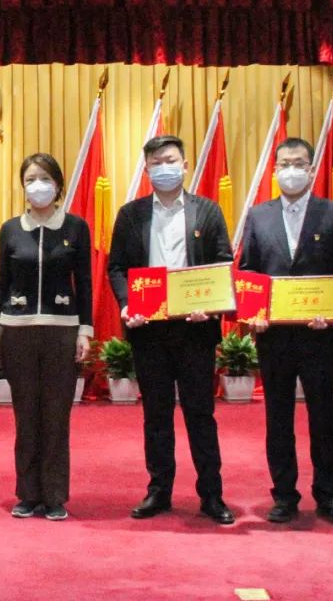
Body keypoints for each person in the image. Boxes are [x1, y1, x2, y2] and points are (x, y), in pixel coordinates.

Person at [108, 135, 236, 525]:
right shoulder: (131, 215)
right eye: (156, 163)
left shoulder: (207, 211)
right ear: (147, 170)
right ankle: (159, 490)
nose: (164, 168)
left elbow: (223, 262)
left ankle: (212, 495)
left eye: (170, 160)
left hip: (196, 332)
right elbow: (117, 268)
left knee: (201, 415)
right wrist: (127, 303)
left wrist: (210, 305)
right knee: (156, 416)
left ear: (185, 165)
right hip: (149, 331)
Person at [238, 137, 333, 525]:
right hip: (273, 336)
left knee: (324, 416)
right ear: (274, 171)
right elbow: (248, 270)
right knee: (278, 417)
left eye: (299, 164)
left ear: (312, 169)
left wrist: (332, 307)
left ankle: (329, 494)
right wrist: (253, 312)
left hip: (319, 334)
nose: (292, 170)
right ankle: (284, 494)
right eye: (285, 164)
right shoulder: (258, 215)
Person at [0, 153, 92, 522]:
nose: (38, 186)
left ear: (58, 184)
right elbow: (3, 283)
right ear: (22, 186)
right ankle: (27, 493)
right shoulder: (10, 229)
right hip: (18, 331)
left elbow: (85, 284)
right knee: (26, 416)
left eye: (45, 179)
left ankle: (54, 495)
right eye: (31, 179)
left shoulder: (76, 228)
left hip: (61, 331)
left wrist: (85, 330)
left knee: (55, 416)